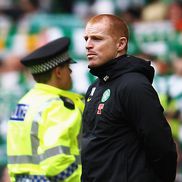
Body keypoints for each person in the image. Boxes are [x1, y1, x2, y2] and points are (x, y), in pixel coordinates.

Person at [81, 14, 177, 182]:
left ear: (121, 44)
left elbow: (162, 147)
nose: (88, 45)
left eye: (97, 39)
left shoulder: (134, 86)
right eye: (86, 39)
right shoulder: (95, 87)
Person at [7, 37, 84, 182]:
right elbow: (56, 162)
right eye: (68, 67)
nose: (71, 72)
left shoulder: (24, 102)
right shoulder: (58, 105)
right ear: (58, 73)